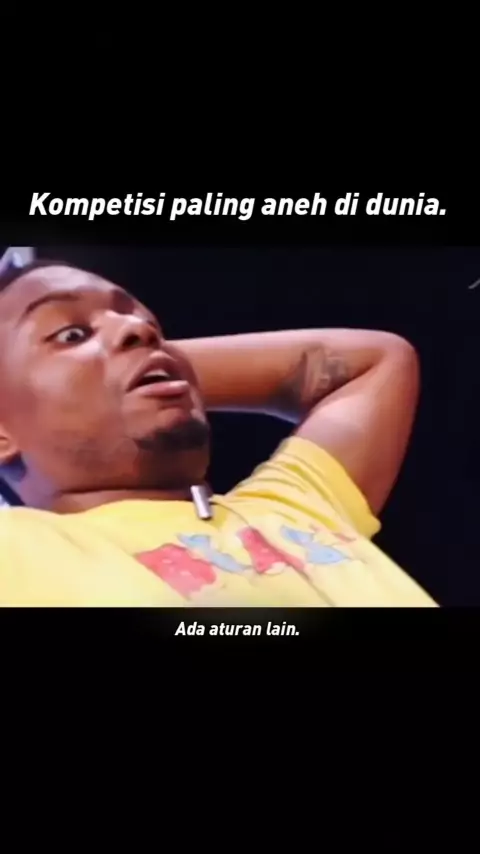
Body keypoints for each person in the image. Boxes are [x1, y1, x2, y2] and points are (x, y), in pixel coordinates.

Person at [0, 259, 436, 606]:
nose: (141, 328)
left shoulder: (296, 507)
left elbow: (377, 362)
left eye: (148, 323)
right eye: (72, 334)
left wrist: (155, 363)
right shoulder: (18, 551)